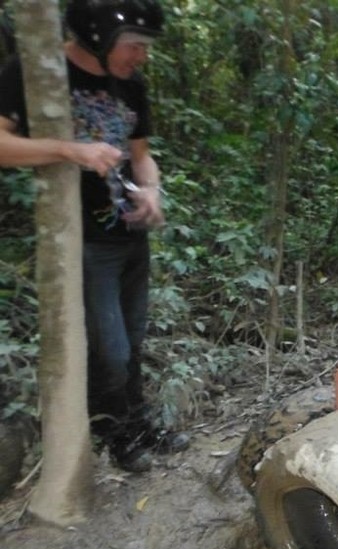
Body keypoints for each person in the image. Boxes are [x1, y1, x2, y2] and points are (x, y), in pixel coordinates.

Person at [0, 0, 187, 472]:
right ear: (99, 36)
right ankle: (116, 433)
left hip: (129, 235)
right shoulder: (34, 72)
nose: (141, 56)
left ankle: (139, 424)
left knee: (134, 341)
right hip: (81, 240)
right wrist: (69, 150)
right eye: (135, 46)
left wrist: (151, 191)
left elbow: (141, 154)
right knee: (111, 349)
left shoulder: (132, 85)